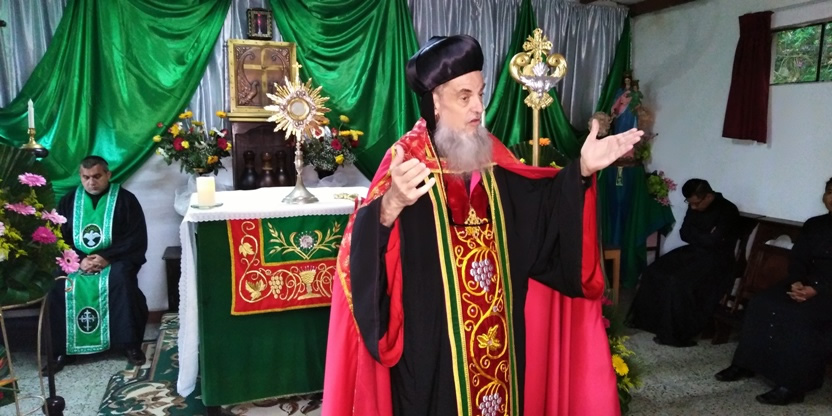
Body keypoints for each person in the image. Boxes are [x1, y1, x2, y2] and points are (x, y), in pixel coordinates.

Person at [322, 35, 642, 416]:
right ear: (435, 101)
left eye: (480, 93)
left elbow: (541, 213)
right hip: (433, 359)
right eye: (464, 96)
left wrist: (583, 170)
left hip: (500, 351)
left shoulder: (491, 158)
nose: (478, 107)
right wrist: (390, 205)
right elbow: (358, 258)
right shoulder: (406, 161)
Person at [714, 177, 832, 405]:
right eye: (829, 191)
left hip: (828, 291)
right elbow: (798, 258)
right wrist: (797, 281)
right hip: (805, 283)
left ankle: (792, 385)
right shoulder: (814, 224)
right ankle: (745, 364)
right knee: (761, 303)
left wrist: (817, 289)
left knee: (800, 315)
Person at [44, 156, 148, 374]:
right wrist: (80, 259)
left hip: (116, 259)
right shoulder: (68, 201)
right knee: (59, 284)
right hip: (76, 261)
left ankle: (129, 345)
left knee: (121, 279)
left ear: (108, 175)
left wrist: (106, 257)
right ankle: (62, 350)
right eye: (86, 177)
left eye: (97, 176)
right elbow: (59, 238)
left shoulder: (125, 200)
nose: (91, 182)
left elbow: (134, 237)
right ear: (80, 177)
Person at [626, 179, 739, 347]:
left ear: (708, 197)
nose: (692, 208)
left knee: (677, 280)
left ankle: (674, 332)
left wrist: (700, 235)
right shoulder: (695, 206)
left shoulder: (728, 210)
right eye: (689, 203)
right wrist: (705, 235)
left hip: (718, 259)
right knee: (653, 271)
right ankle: (650, 322)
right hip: (694, 252)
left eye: (696, 203)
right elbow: (684, 233)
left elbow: (714, 241)